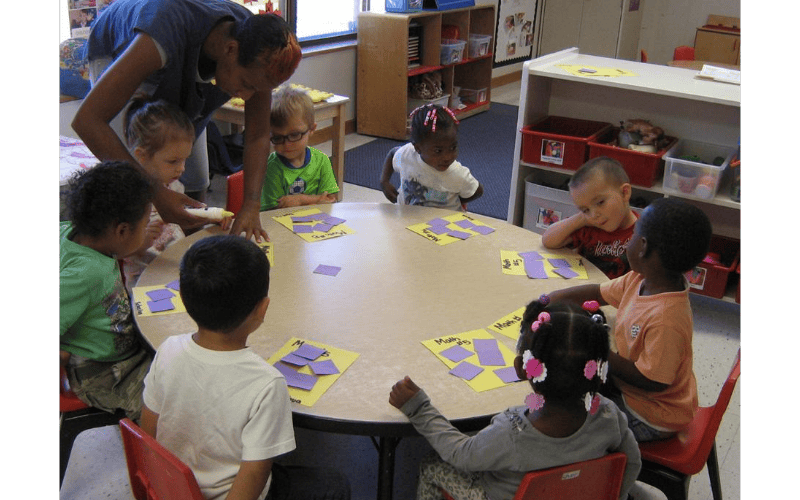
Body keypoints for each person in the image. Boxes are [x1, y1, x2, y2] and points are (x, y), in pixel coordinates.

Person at [141, 235, 351, 500]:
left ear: (183, 298)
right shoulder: (267, 384)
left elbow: (147, 435)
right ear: (262, 310)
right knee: (334, 484)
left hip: (169, 490)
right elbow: (254, 476)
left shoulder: (168, 349)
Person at [72, 0, 302, 241]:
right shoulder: (161, 34)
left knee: (196, 175)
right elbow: (88, 121)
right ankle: (127, 254)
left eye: (256, 89)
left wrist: (252, 205)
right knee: (134, 174)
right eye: (245, 84)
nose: (246, 97)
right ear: (230, 49)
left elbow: (257, 135)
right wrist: (155, 193)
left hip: (185, 54)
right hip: (121, 42)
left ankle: (189, 242)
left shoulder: (260, 53)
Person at [388, 299, 641, 500]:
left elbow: (460, 454)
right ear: (598, 370)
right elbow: (632, 461)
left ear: (522, 367)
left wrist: (419, 407)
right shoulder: (610, 415)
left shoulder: (509, 434)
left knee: (431, 464)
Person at [547, 197, 712, 442]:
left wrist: (598, 350)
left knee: (567, 422)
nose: (629, 240)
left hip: (652, 415)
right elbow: (596, 292)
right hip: (631, 388)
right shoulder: (640, 279)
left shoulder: (667, 318)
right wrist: (547, 301)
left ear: (643, 246)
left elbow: (653, 382)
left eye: (634, 234)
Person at [59, 161, 156, 422]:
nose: (148, 230)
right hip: (102, 372)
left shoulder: (70, 232)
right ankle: (152, 458)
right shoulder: (88, 273)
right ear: (122, 230)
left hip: (123, 347)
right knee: (161, 407)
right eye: (146, 224)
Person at [121, 94, 232, 289]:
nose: (181, 169)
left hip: (176, 267)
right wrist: (143, 241)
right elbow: (118, 250)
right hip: (145, 279)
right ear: (141, 156)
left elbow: (185, 219)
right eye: (173, 161)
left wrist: (208, 217)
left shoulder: (173, 185)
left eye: (184, 160)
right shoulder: (128, 197)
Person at [541, 156, 639, 279]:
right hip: (583, 292)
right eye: (585, 210)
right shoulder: (590, 225)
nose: (594, 215)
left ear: (625, 193)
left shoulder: (642, 233)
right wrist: (581, 219)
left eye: (600, 202)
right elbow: (548, 240)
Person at [381, 104, 483, 211]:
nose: (447, 157)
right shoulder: (407, 154)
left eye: (453, 148)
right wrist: (384, 182)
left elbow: (477, 191)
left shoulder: (457, 174)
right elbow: (393, 153)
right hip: (406, 217)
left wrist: (459, 202)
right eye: (438, 151)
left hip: (442, 224)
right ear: (418, 148)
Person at [260, 85, 339, 210]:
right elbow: (273, 212)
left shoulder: (322, 160)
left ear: (312, 129)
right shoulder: (272, 166)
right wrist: (316, 200)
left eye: (294, 135)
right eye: (277, 138)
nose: (287, 144)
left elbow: (331, 199)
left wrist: (300, 200)